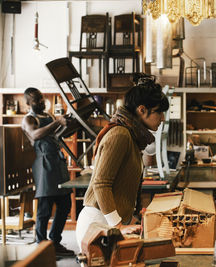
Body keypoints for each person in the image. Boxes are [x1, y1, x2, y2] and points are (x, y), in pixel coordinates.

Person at [75, 77, 169, 250]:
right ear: (142, 110)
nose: (162, 118)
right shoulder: (120, 134)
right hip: (100, 224)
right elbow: (101, 184)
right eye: (159, 112)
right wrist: (118, 225)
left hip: (110, 222)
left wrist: (129, 218)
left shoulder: (132, 136)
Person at [21, 87, 75, 256]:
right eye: (37, 100)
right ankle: (41, 246)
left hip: (58, 163)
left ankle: (54, 241)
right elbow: (35, 135)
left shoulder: (50, 116)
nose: (41, 102)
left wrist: (69, 124)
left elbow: (58, 135)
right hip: (43, 164)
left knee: (65, 203)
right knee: (44, 207)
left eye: (42, 98)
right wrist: (58, 122)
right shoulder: (29, 119)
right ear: (29, 103)